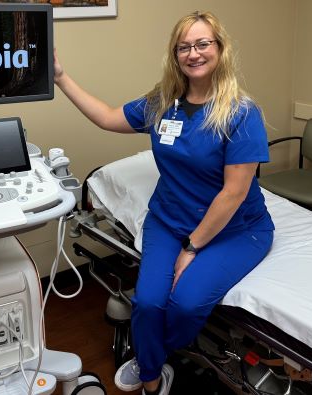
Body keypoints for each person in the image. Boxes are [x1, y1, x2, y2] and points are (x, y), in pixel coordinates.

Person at [54, 11, 274, 395]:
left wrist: (192, 248)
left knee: (185, 305)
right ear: (175, 55)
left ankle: (151, 356)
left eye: (202, 44)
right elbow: (107, 117)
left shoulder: (241, 113)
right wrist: (60, 77)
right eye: (184, 47)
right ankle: (153, 376)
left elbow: (234, 193)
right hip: (170, 220)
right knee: (148, 303)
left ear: (220, 49)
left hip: (236, 229)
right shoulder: (162, 104)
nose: (194, 53)